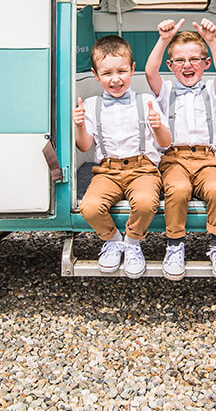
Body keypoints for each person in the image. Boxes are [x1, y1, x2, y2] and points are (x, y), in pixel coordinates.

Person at [74, 35, 173, 278]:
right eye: (107, 73)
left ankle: (132, 243)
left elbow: (165, 142)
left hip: (143, 169)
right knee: (89, 207)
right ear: (96, 75)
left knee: (145, 203)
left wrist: (157, 125)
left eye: (121, 71)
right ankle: (113, 240)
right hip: (107, 170)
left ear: (132, 70)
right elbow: (85, 146)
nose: (115, 79)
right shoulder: (92, 104)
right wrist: (79, 125)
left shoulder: (146, 101)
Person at [146, 18, 216, 280]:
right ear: (171, 66)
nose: (187, 65)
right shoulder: (166, 91)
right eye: (180, 61)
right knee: (178, 189)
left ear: (205, 64)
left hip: (206, 159)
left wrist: (211, 41)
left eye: (195, 59)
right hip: (174, 159)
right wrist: (164, 39)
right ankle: (175, 245)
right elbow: (150, 72)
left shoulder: (211, 90)